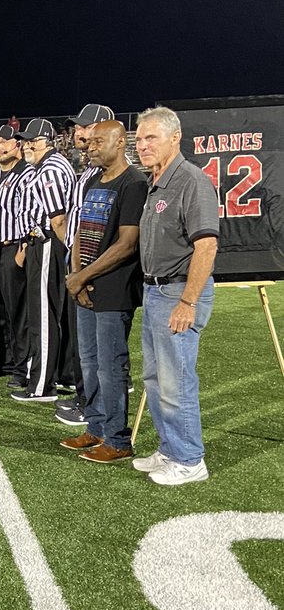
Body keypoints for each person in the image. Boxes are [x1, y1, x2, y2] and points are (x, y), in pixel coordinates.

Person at [133, 107, 219, 485]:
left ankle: (189, 459)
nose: (142, 145)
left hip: (176, 291)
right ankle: (170, 448)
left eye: (151, 138)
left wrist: (187, 301)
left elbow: (207, 246)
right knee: (156, 378)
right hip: (155, 290)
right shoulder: (158, 181)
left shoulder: (190, 180)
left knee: (176, 379)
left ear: (175, 137)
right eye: (138, 139)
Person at [59, 121, 148, 463]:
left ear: (119, 142)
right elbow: (81, 231)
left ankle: (118, 439)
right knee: (90, 362)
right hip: (86, 285)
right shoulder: (94, 180)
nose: (90, 147)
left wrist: (83, 277)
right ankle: (96, 428)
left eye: (98, 142)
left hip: (114, 288)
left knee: (112, 367)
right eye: (89, 142)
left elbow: (127, 244)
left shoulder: (134, 183)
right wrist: (76, 273)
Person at [55, 104, 117, 425]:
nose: (78, 134)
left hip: (95, 269)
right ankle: (86, 398)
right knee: (84, 346)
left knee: (96, 349)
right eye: (77, 129)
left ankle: (93, 407)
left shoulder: (110, 172)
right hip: (79, 264)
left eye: (85, 128)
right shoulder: (90, 170)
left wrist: (86, 270)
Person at [13, 119, 76, 402]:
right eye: (26, 140)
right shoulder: (52, 165)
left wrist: (69, 250)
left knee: (43, 315)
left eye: (33, 140)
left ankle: (41, 385)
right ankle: (58, 375)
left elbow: (58, 218)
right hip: (44, 242)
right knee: (49, 313)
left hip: (48, 241)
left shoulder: (50, 167)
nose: (27, 145)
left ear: (47, 141)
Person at [0, 125, 37, 386]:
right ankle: (1, 361)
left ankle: (22, 366)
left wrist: (23, 250)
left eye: (5, 141)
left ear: (18, 145)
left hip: (13, 247)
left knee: (17, 311)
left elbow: (34, 214)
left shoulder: (27, 175)